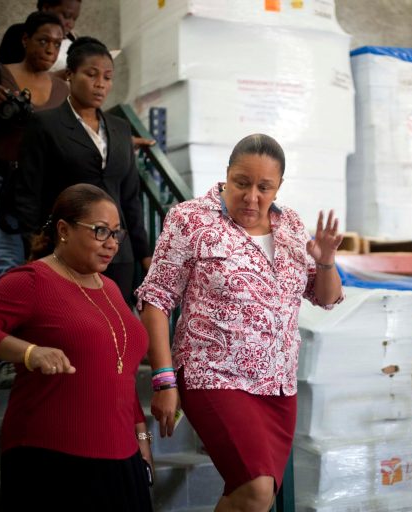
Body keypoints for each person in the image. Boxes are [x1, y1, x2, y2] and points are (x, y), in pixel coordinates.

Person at [136, 134, 344, 512]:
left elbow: (326, 298)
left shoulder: (292, 226)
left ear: (279, 186)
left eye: (264, 187)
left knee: (252, 497)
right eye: (241, 183)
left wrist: (327, 261)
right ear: (227, 176)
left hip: (278, 385)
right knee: (256, 488)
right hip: (212, 374)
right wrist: (163, 378)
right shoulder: (190, 219)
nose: (251, 197)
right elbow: (156, 299)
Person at [0, 183, 153, 511]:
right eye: (100, 231)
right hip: (53, 452)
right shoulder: (31, 280)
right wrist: (29, 352)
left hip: (122, 452)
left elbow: (121, 369)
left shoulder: (113, 289)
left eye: (116, 233)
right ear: (64, 230)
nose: (111, 244)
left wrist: (141, 437)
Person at [16, 36, 151, 304]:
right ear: (70, 74)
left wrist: (144, 254)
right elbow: (28, 190)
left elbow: (130, 197)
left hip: (116, 251)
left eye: (108, 77)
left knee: (114, 328)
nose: (101, 83)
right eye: (91, 74)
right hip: (68, 248)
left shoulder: (120, 128)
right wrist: (33, 238)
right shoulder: (45, 125)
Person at [0, 11, 69, 284]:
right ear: (25, 39)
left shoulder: (63, 89)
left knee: (47, 265)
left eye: (57, 44)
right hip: (0, 182)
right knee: (5, 265)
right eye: (43, 41)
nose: (50, 49)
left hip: (45, 188)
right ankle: (9, 326)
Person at [0, 0, 81, 74]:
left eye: (74, 19)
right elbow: (8, 74)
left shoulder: (73, 41)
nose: (71, 24)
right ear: (46, 8)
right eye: (66, 16)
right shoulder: (18, 32)